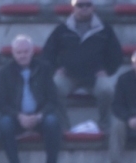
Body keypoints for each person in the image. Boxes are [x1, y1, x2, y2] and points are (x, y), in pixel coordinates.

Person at [41, 0, 122, 128]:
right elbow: (47, 53)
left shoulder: (105, 29)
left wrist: (107, 70)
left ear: (93, 7)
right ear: (73, 8)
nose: (84, 7)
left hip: (95, 76)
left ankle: (104, 125)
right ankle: (63, 127)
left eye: (88, 4)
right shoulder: (62, 29)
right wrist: (55, 69)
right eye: (80, 5)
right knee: (53, 88)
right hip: (68, 75)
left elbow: (116, 54)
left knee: (107, 90)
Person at [0, 36, 62, 163]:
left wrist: (39, 116)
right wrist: (19, 116)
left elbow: (53, 100)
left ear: (32, 52)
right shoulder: (5, 72)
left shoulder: (44, 69)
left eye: (26, 51)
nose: (22, 55)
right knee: (4, 124)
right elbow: (1, 103)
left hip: (40, 116)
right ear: (13, 54)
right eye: (19, 52)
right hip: (17, 117)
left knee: (53, 122)